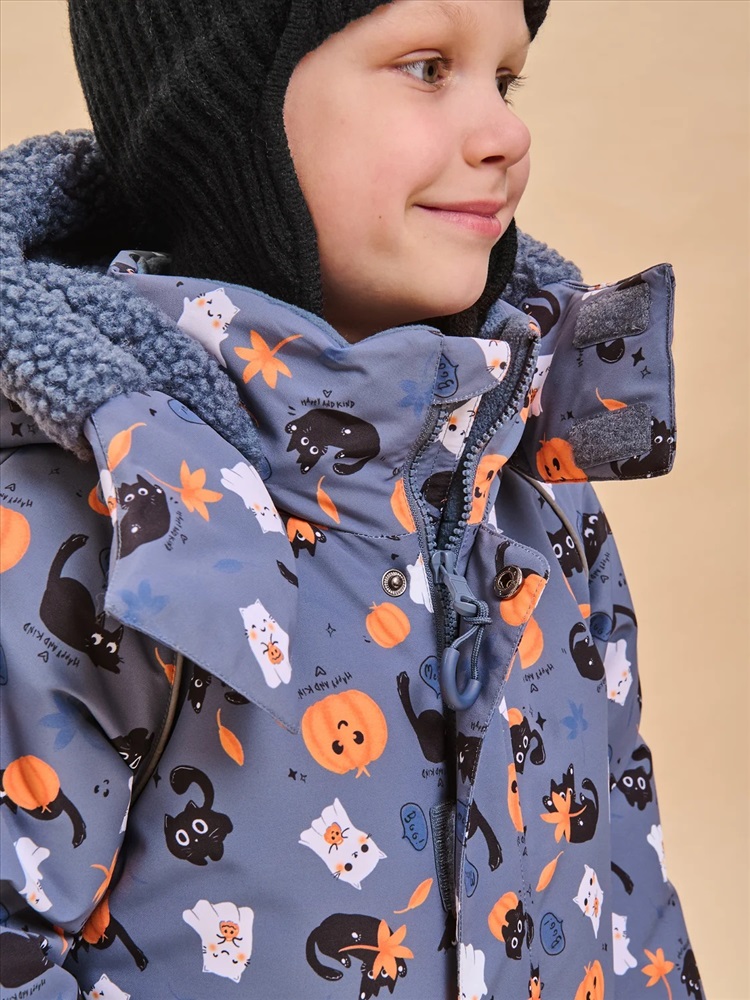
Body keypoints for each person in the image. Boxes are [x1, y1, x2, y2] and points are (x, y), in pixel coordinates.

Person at [0, 1, 703, 997]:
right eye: (427, 67)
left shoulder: (525, 484)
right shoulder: (100, 517)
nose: (506, 133)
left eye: (506, 79)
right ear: (224, 120)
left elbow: (628, 894)